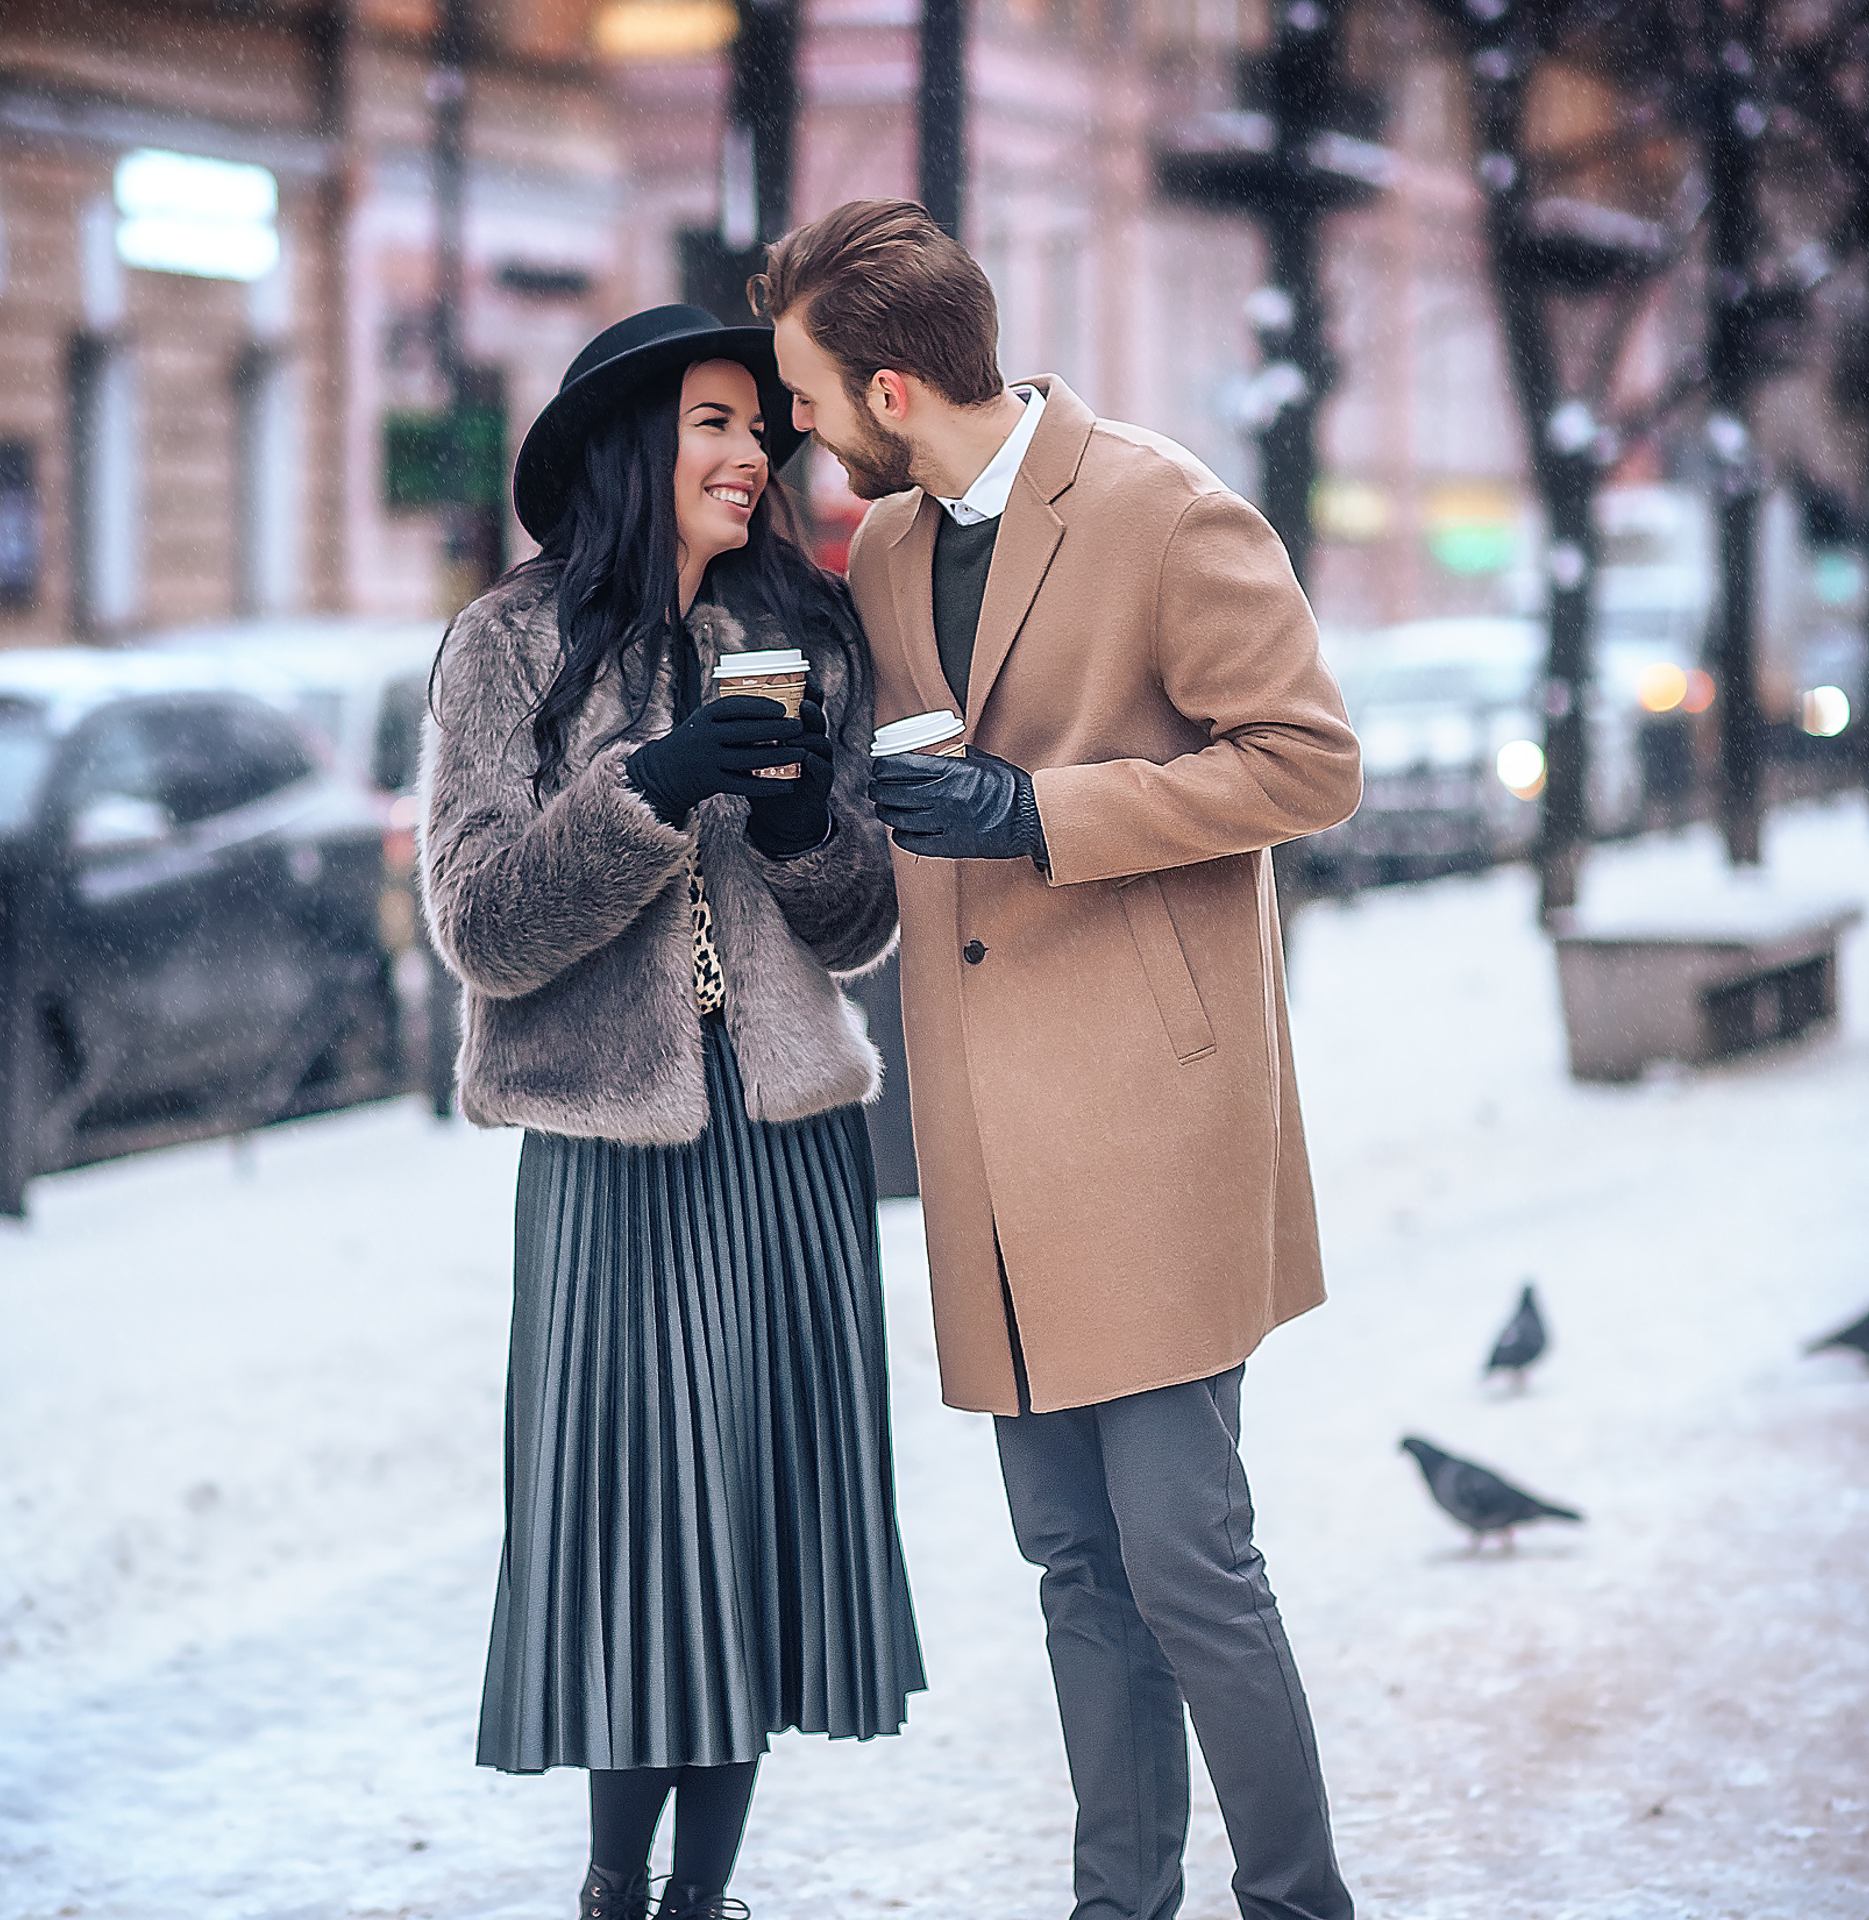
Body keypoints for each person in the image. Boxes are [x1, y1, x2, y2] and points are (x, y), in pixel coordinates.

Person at [759, 202, 1363, 1920]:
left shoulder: (1163, 508)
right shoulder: (885, 552)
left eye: (807, 395)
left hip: (1151, 1116)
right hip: (986, 1133)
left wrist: (1040, 811)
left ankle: (1299, 1903)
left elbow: (1311, 765)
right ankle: (1119, 1905)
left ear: (889, 389)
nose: (800, 426)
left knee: (1187, 1558)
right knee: (1074, 1566)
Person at [420, 305, 923, 1920]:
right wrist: (649, 787)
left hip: (789, 1145)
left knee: (752, 1533)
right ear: (637, 450)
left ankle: (700, 1899)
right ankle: (611, 1889)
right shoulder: (508, 644)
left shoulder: (807, 631)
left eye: (758, 427)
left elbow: (861, 924)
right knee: (645, 1533)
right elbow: (480, 925)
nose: (752, 452)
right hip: (611, 1155)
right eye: (715, 423)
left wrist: (799, 825)